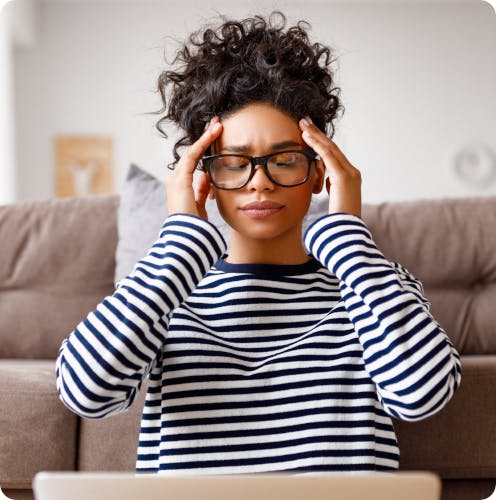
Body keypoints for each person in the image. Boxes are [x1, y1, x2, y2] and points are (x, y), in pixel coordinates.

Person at [56, 11, 461, 475]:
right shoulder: (162, 292)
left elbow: (423, 396)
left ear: (318, 172)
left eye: (285, 160)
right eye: (234, 162)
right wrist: (180, 242)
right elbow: (84, 392)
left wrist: (348, 235)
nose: (259, 184)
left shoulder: (374, 285)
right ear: (203, 176)